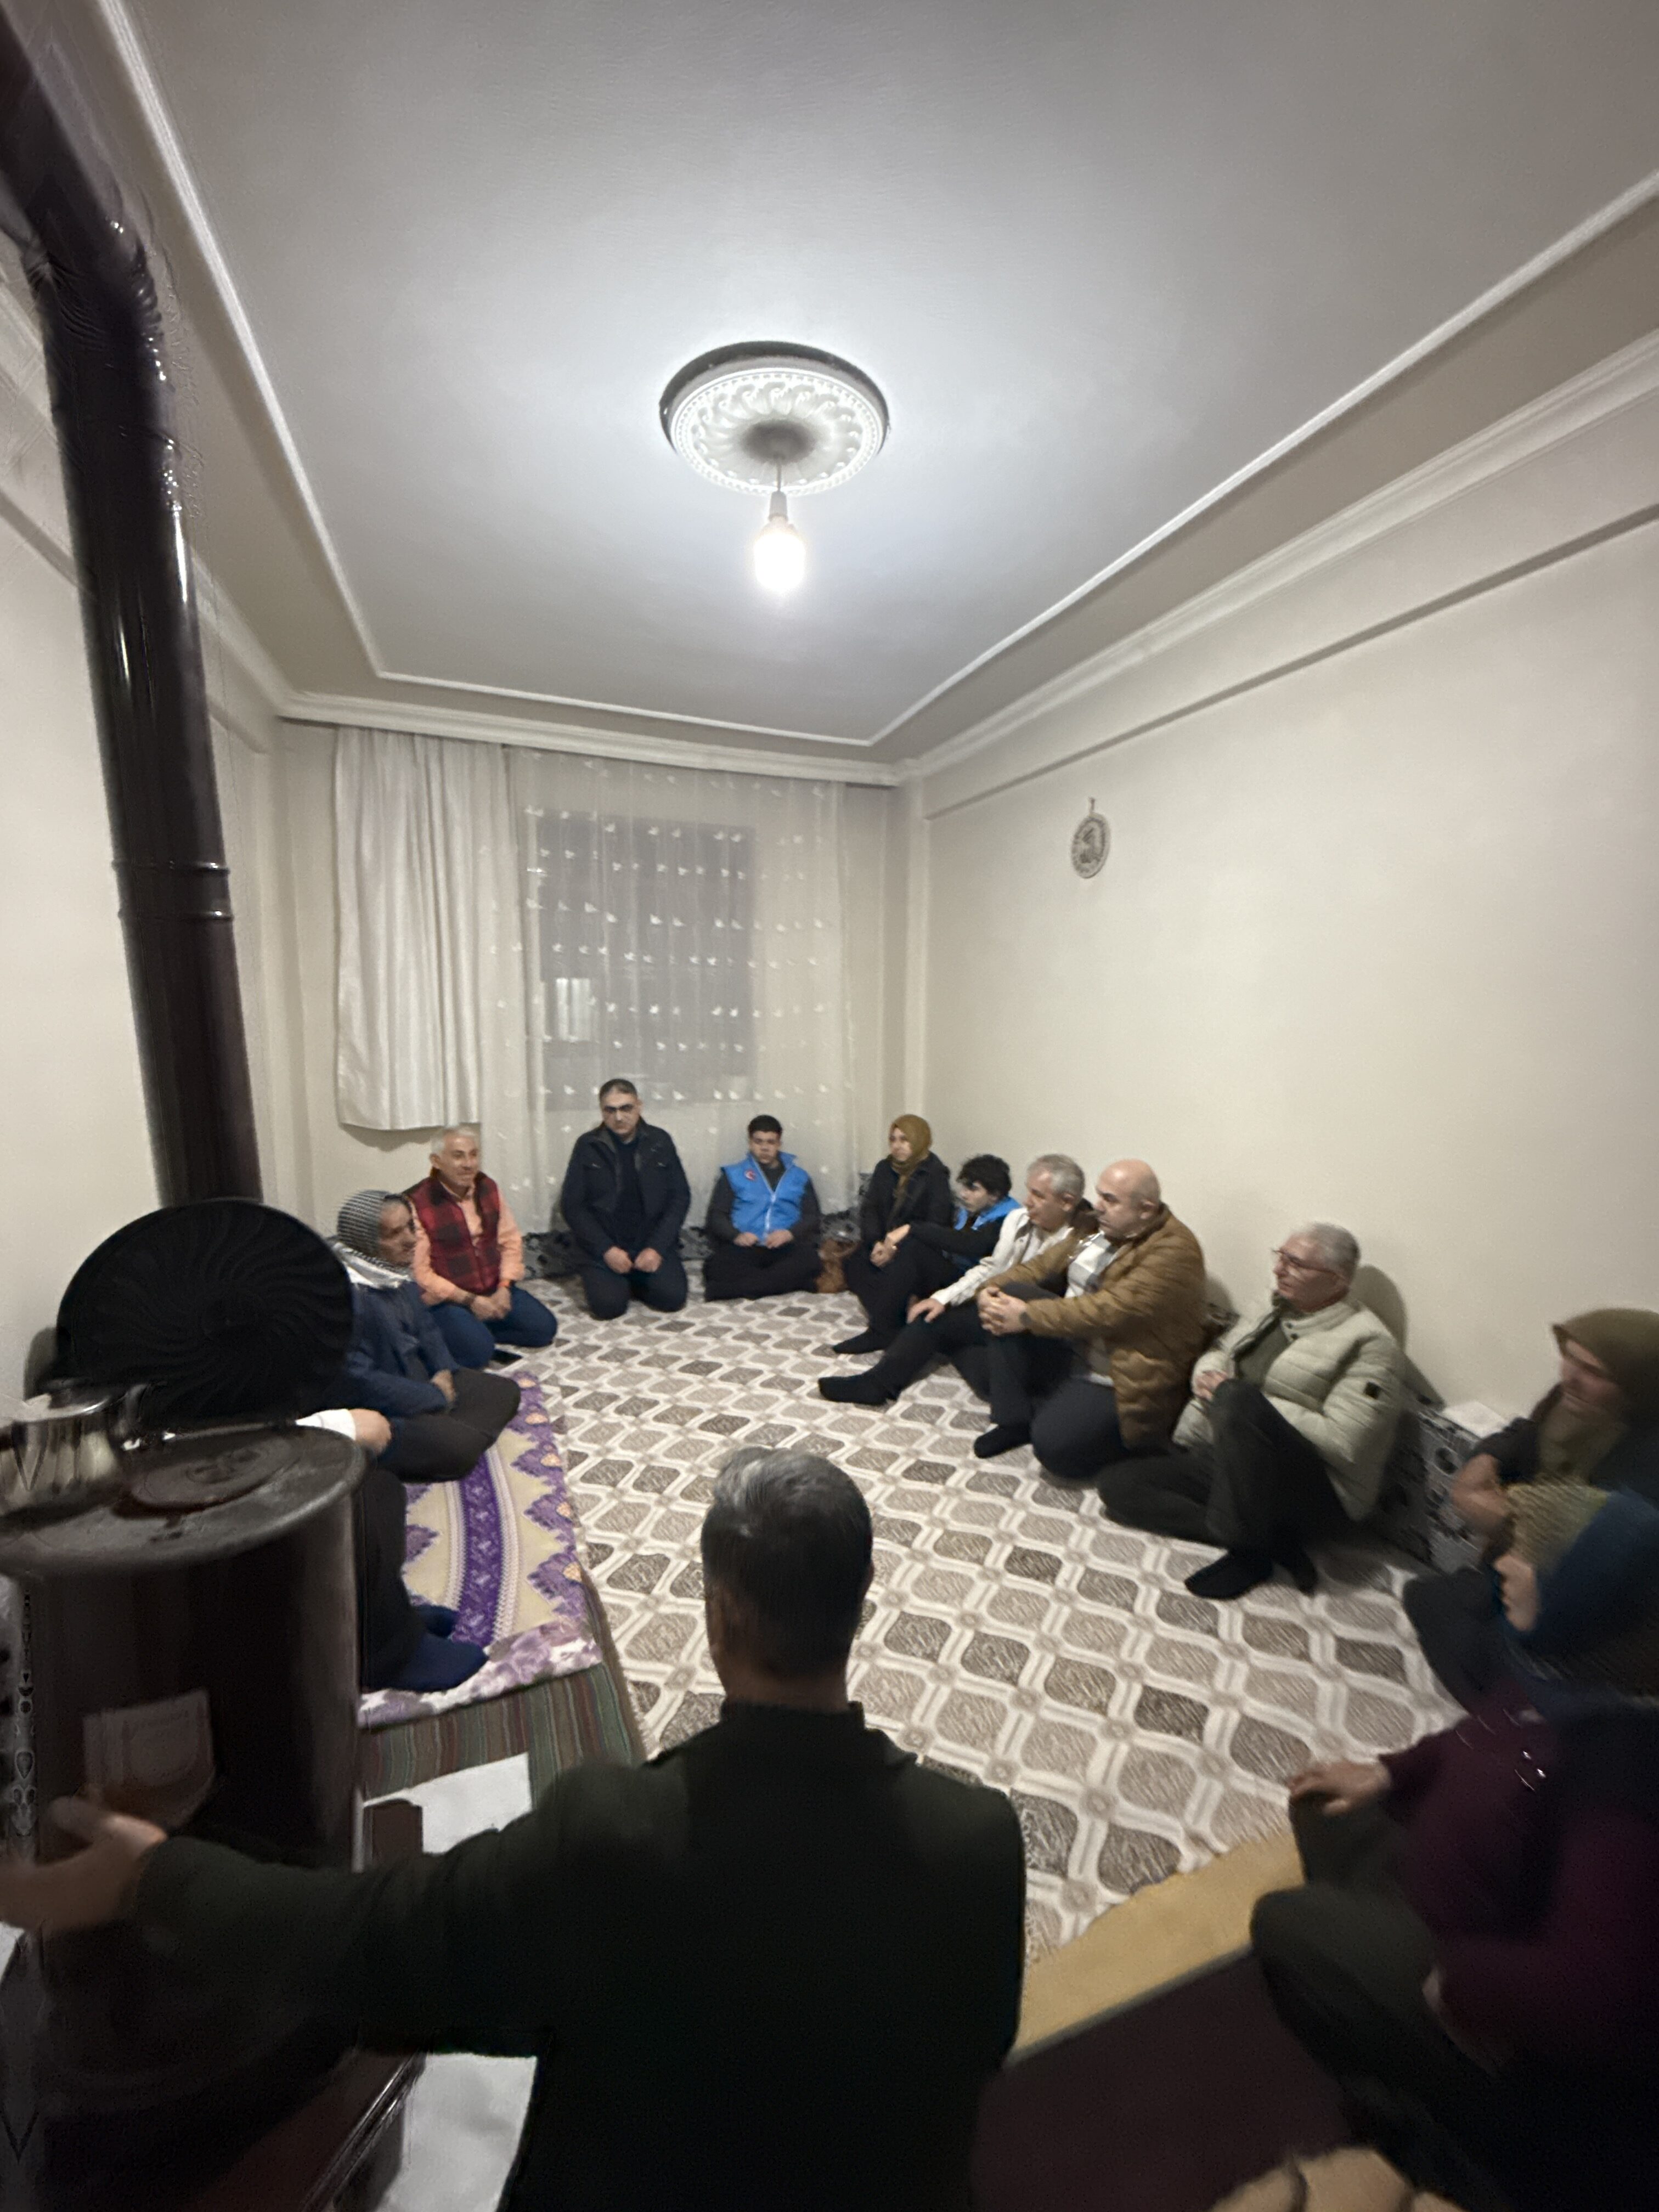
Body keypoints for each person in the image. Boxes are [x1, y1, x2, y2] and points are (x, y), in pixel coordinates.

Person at [0, 1449, 1027, 2212]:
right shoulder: (981, 1842)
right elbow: (975, 2057)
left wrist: (152, 1877)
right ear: (859, 1608)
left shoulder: (613, 1835)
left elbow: (367, 1942)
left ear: (717, 1617)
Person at [1251, 1481, 1659, 2211]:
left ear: (1585, 1594)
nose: (1502, 1564)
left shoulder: (1622, 1767)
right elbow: (1478, 1736)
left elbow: (1599, 1992)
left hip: (1492, 1988)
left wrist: (1459, 1984)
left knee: (1289, 1924)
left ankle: (1425, 2118)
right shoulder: (1562, 1666)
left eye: (1526, 1555)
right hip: (1464, 1899)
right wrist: (1390, 1771)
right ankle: (1377, 2018)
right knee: (1324, 1809)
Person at [1101, 1224, 1403, 1600]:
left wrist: (1241, 1398)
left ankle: (1248, 1552)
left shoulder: (1371, 1344)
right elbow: (1220, 1351)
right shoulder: (1272, 1303)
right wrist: (1206, 1377)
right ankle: (1267, 1541)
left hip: (1315, 1488)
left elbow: (1344, 1442)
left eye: (1296, 1264)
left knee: (1238, 1398)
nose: (1279, 1269)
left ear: (1337, 1281)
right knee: (1119, 1486)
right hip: (1233, 1461)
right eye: (1281, 1257)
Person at [1402, 1308, 1659, 1709]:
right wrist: (1485, 1460)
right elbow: (1524, 1431)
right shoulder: (1567, 1403)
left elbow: (1599, 1554)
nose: (1569, 1377)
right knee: (1429, 1596)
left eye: (1593, 1371)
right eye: (1569, 1357)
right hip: (1518, 1575)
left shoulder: (1646, 1458)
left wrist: (1507, 1520)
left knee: (1440, 1610)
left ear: (1637, 1387)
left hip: (1581, 1620)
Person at [332, 1190, 521, 1690]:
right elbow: (357, 1380)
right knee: (456, 1451)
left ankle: (449, 1425)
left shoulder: (394, 1274)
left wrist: (443, 1374)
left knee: (503, 1391)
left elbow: (429, 1331)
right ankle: (439, 1432)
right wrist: (430, 1397)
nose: (410, 1239)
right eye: (394, 1233)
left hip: (425, 1387)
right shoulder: (347, 1295)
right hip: (389, 1407)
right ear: (364, 1241)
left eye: (410, 1227)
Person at [974, 1159, 1208, 1483]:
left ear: (1145, 1209)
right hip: (1076, 1340)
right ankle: (1013, 1421)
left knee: (1054, 1449)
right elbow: (1041, 1266)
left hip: (1121, 1369)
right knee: (1007, 1296)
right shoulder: (1097, 1228)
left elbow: (1106, 1311)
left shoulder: (1174, 1251)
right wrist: (989, 1290)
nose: (1098, 1206)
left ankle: (1134, 1443)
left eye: (1110, 1200)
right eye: (1100, 1195)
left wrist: (1027, 1316)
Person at [818, 1154, 1089, 1407]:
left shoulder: (1081, 1244)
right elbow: (991, 1268)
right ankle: (877, 1384)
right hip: (993, 1304)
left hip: (1032, 1327)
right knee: (931, 1316)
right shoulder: (1018, 1220)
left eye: (1038, 1196)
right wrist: (943, 1298)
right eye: (1029, 1192)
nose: (1028, 1201)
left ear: (1067, 1203)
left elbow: (1070, 1313)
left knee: (987, 1381)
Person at [407, 1127, 557, 1367]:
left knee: (544, 1330)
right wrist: (470, 1301)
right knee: (478, 1354)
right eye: (458, 1156)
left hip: (492, 1287)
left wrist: (505, 1287)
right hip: (450, 1299)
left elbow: (510, 1240)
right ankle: (466, 1334)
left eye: (473, 1155)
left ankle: (477, 1329)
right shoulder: (417, 1202)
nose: (468, 1164)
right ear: (437, 1161)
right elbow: (421, 1273)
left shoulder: (488, 1187)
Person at [558, 1078, 692, 1320]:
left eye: (626, 1108)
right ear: (602, 1111)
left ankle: (633, 1279)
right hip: (606, 1247)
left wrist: (656, 1248)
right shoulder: (588, 1145)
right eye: (610, 1110)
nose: (619, 1117)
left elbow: (680, 1197)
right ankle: (619, 1281)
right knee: (609, 1307)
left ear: (639, 1106)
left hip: (649, 1243)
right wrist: (606, 1250)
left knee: (672, 1299)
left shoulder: (660, 1141)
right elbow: (573, 1206)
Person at [835, 1115, 955, 1353]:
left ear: (919, 1140)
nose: (897, 1146)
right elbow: (871, 1210)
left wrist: (894, 1248)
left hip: (919, 1250)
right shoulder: (885, 1169)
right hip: (885, 1242)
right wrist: (876, 1243)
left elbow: (935, 1225)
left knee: (902, 1264)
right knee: (855, 1263)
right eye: (893, 1139)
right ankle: (894, 1322)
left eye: (904, 1140)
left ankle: (880, 1331)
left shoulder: (935, 1174)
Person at [702, 1115, 824, 1301]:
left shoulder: (799, 1177)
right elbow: (717, 1215)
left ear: (779, 1144)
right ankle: (793, 1284)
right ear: (750, 1143)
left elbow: (812, 1216)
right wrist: (736, 1236)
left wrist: (789, 1234)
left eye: (770, 1142)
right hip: (746, 1247)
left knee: (810, 1262)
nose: (765, 1148)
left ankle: (728, 1290)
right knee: (716, 1266)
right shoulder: (733, 1174)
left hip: (784, 1247)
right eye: (758, 1142)